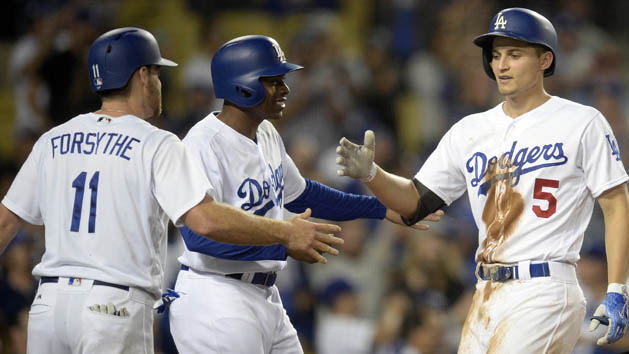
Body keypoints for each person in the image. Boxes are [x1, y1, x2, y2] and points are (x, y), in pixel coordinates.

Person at [0, 27, 345, 354]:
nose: (160, 82)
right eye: (157, 74)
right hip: (112, 307)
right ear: (141, 76)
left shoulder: (52, 140)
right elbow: (205, 220)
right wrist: (285, 232)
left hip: (48, 306)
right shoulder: (156, 142)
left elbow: (5, 223)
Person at [336, 7, 629, 354]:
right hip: (485, 292)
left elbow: (616, 205)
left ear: (545, 59)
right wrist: (373, 174)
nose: (501, 65)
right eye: (496, 55)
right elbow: (415, 202)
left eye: (515, 54)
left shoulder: (581, 121)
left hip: (545, 288)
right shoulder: (469, 130)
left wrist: (616, 289)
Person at [167, 35, 441, 354]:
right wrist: (284, 240)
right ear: (242, 86)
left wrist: (380, 207)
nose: (285, 90)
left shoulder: (266, 133)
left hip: (264, 295)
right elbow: (200, 237)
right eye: (274, 81)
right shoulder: (201, 145)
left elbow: (302, 194)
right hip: (215, 296)